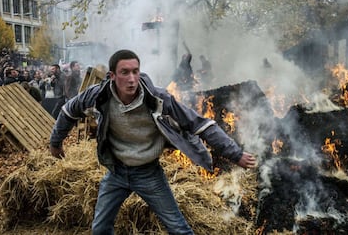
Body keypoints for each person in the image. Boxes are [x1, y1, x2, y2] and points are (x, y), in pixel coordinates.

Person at [49, 49, 257, 235]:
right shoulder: (97, 96)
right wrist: (56, 142)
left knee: (178, 229)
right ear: (112, 76)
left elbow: (200, 124)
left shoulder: (158, 99)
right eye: (125, 72)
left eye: (135, 71)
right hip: (116, 173)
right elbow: (69, 111)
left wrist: (235, 154)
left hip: (148, 173)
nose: (132, 78)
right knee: (100, 228)